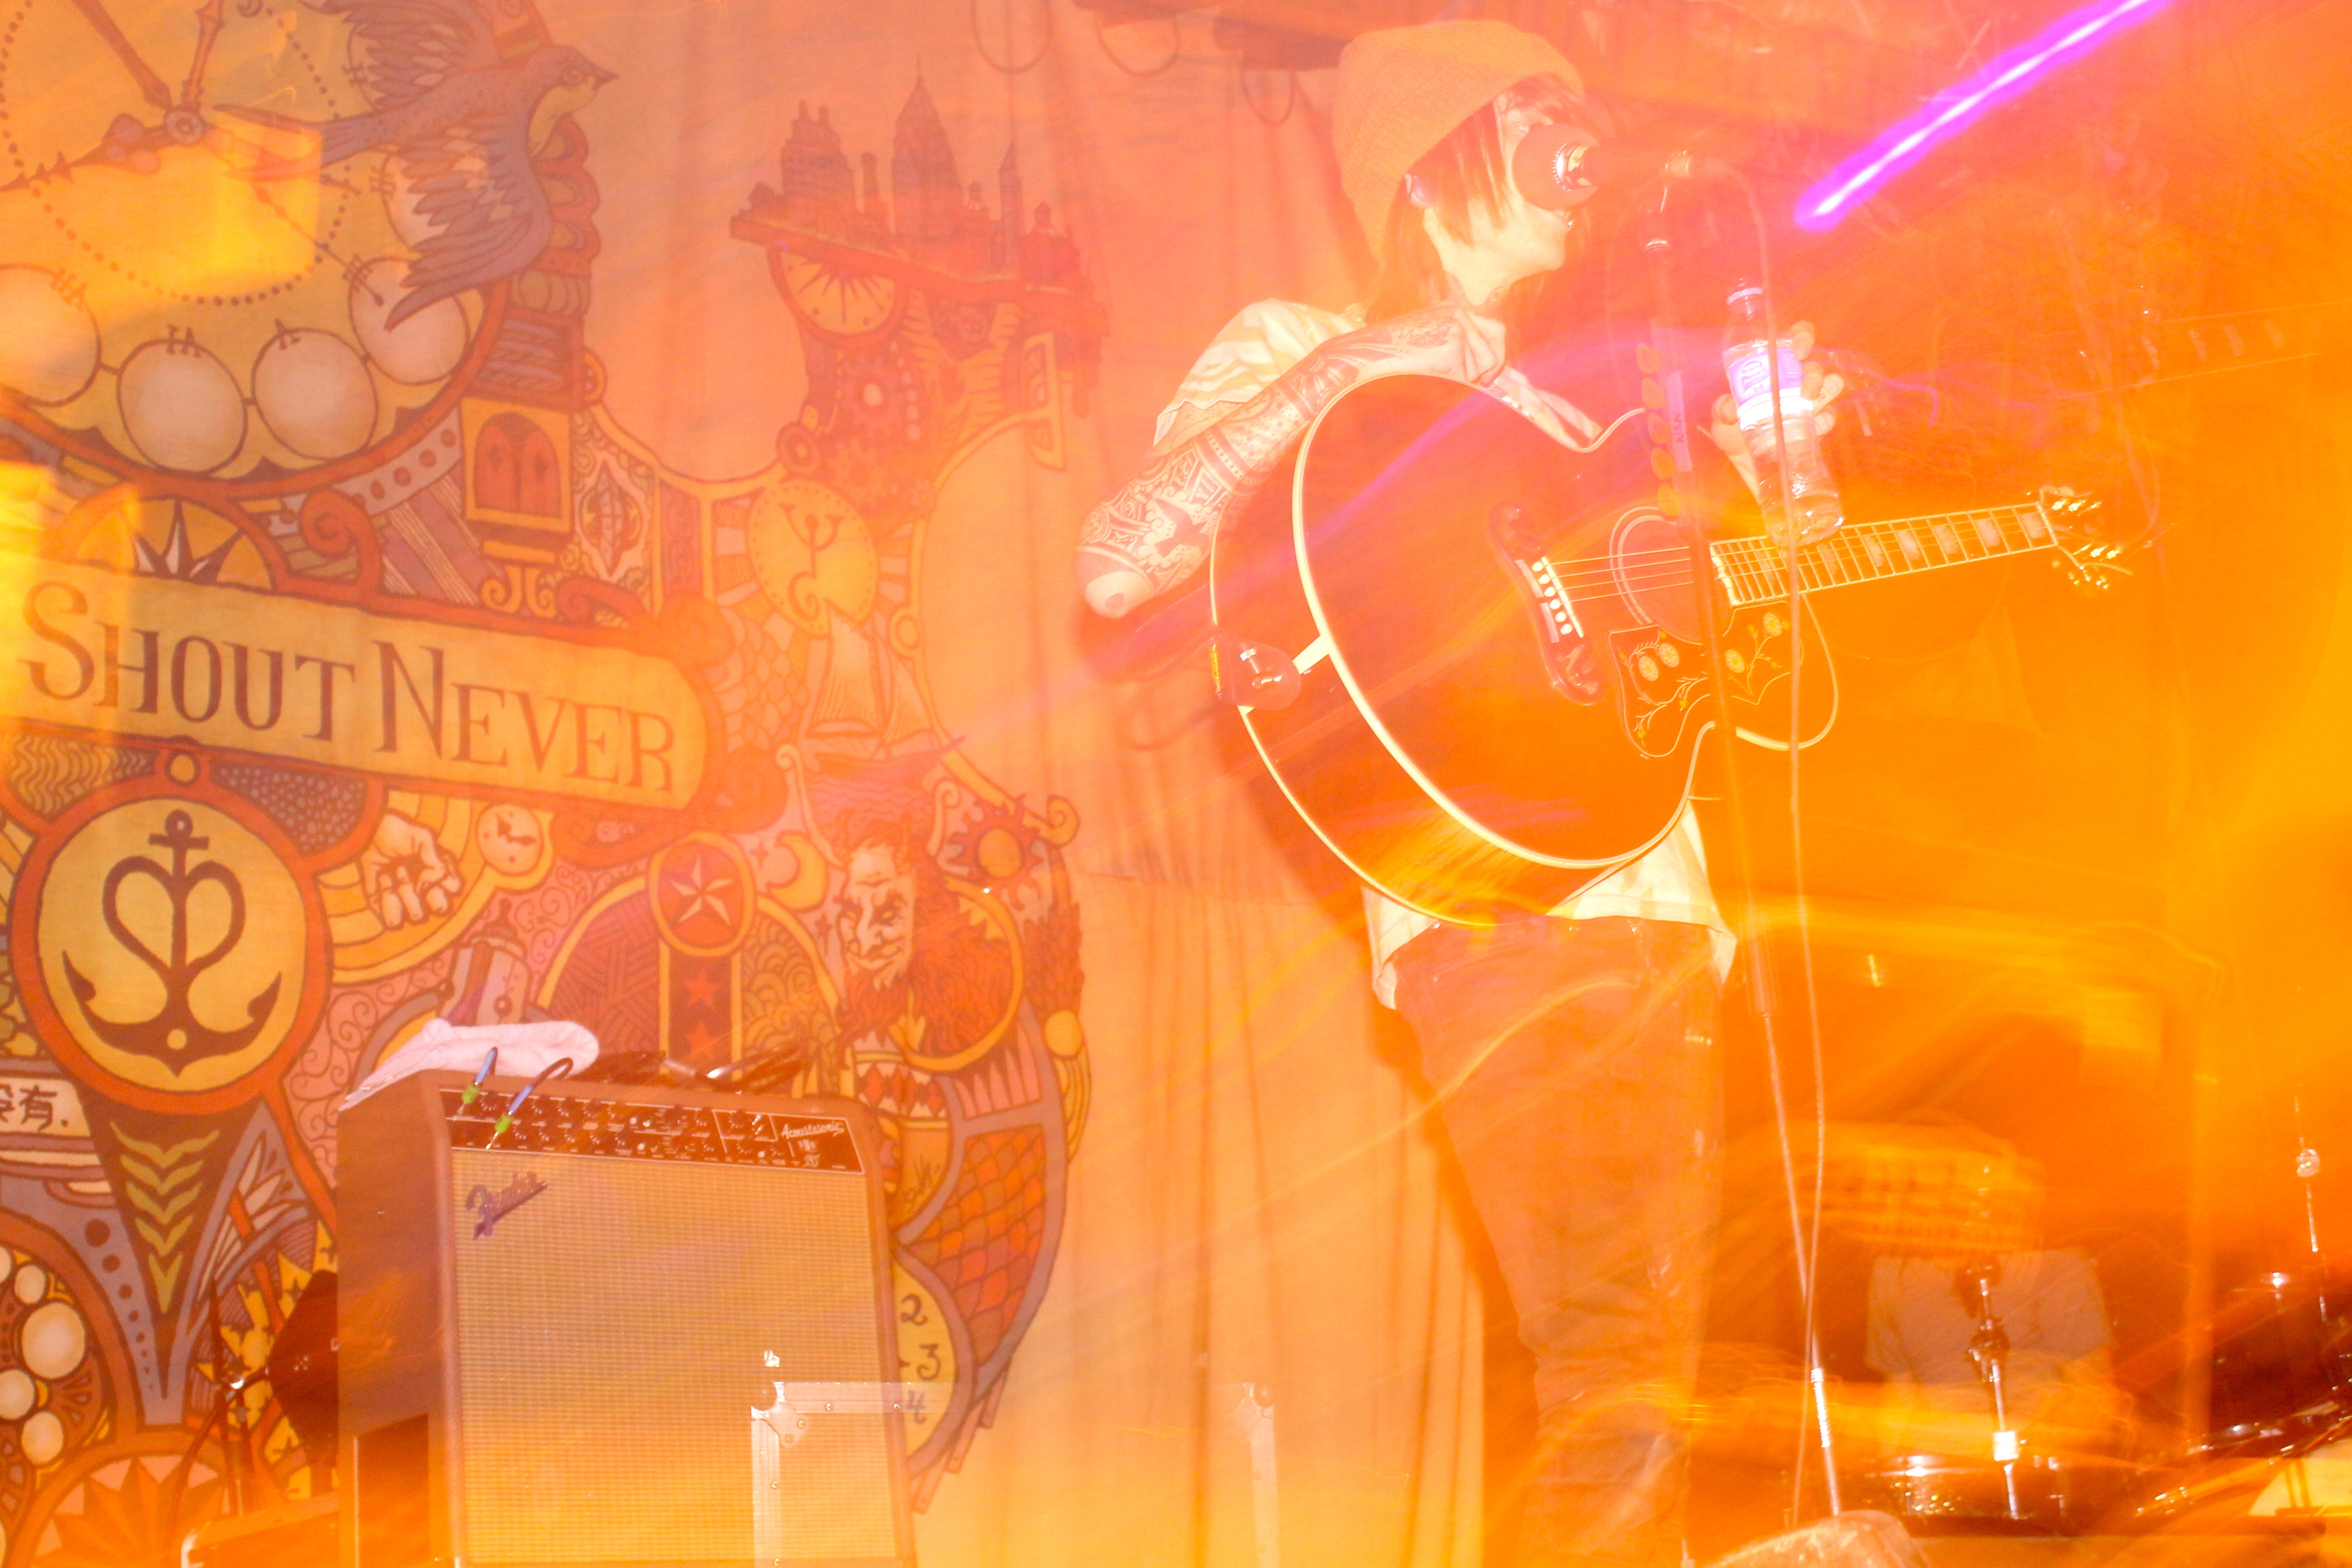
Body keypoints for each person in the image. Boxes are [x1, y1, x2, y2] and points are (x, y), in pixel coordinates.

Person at [1077, 21, 1844, 1568]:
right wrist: (1359, 362)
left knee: (1651, 1388)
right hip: (1495, 918)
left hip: (1662, 919)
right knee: (1620, 1386)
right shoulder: (1298, 340)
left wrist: (1790, 482)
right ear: (1427, 168)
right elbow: (1118, 563)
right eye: (1538, 110)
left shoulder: (1604, 425)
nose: (1582, 142)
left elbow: (1767, 680)